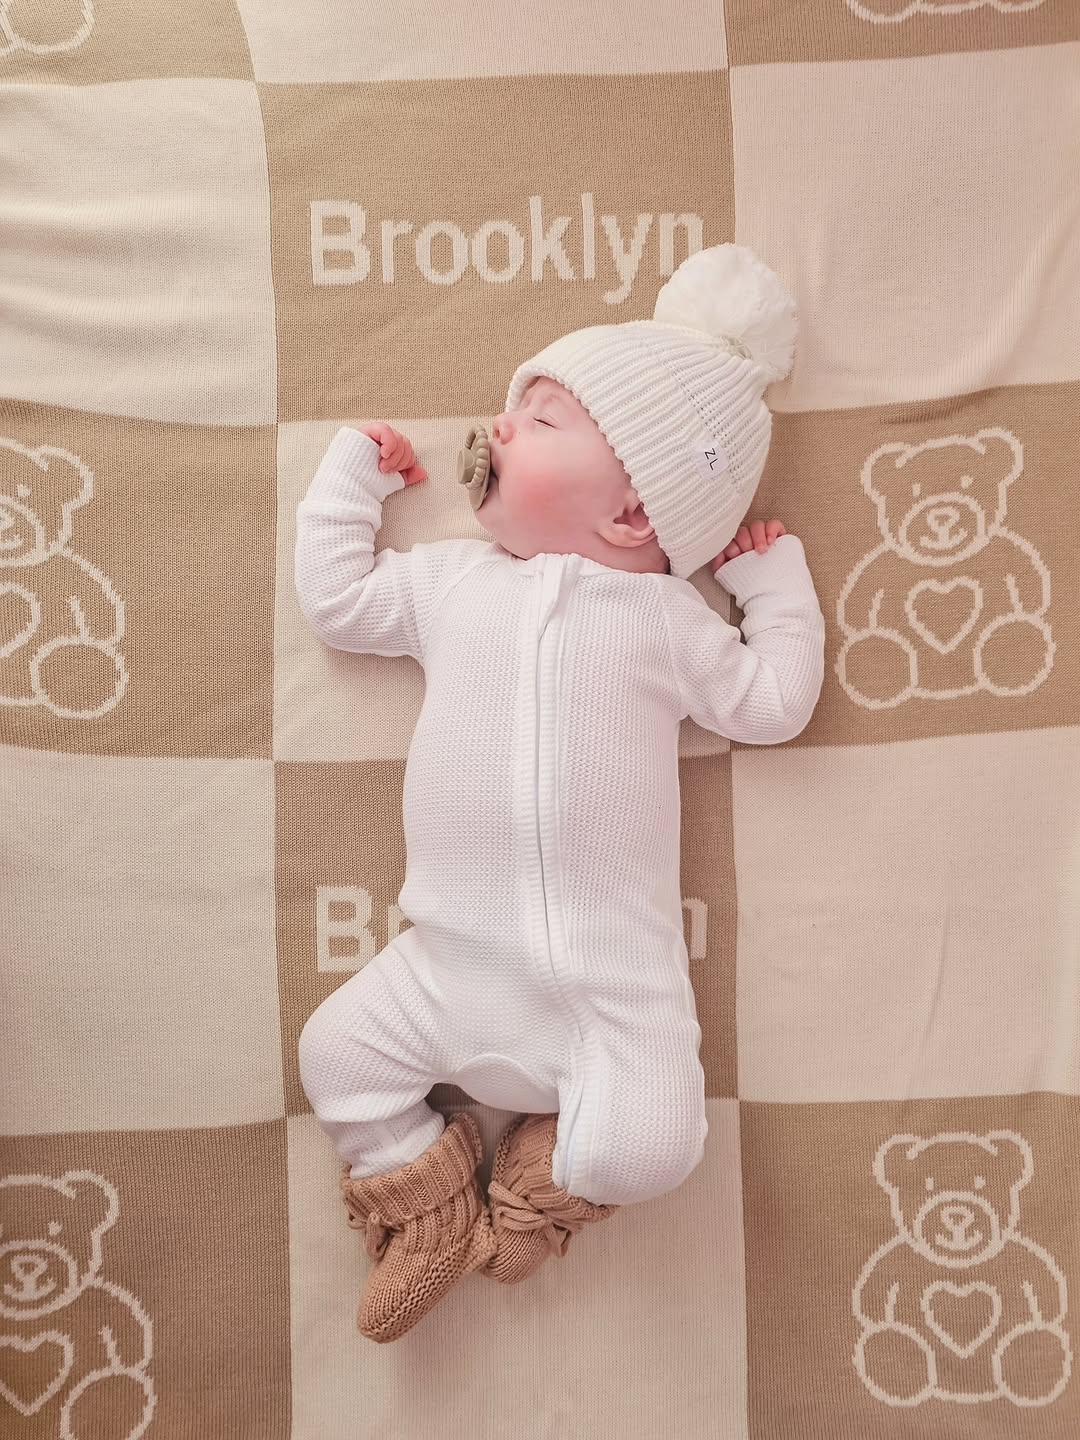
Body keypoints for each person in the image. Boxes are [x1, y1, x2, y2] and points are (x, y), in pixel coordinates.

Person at [294, 243, 826, 1343]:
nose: (496, 427)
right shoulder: (453, 584)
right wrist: (349, 480)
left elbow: (773, 702)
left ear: (633, 512)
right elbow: (340, 603)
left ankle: (544, 1185)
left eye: (538, 419)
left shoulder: (670, 623)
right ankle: (428, 1203)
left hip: (610, 991)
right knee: (334, 1052)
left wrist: (773, 587)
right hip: (445, 965)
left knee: (658, 1146)